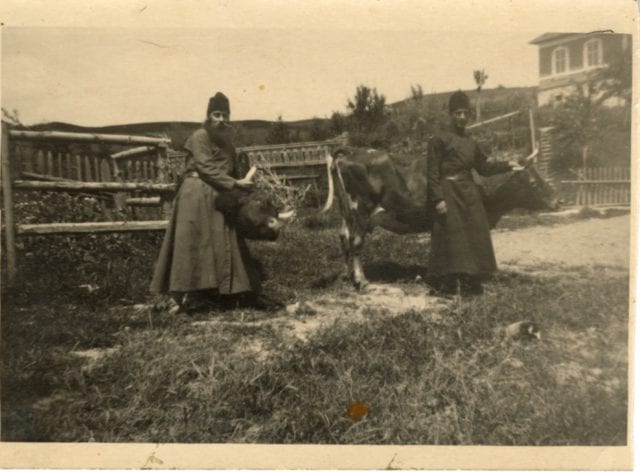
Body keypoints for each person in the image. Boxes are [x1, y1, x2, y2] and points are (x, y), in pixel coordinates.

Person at [150, 92, 279, 312]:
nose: (221, 119)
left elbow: (233, 172)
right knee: (191, 243)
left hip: (219, 195)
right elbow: (206, 168)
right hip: (196, 193)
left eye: (225, 115)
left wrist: (248, 192)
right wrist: (235, 183)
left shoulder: (228, 144)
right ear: (209, 116)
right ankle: (182, 295)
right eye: (216, 114)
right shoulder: (200, 136)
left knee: (224, 242)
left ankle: (225, 292)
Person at [427, 90, 522, 296]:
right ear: (451, 114)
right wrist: (438, 199)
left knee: (475, 234)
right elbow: (432, 173)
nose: (462, 117)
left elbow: (484, 167)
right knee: (451, 238)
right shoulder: (439, 139)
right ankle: (448, 285)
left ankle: (472, 282)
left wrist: (509, 164)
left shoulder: (471, 142)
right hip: (449, 192)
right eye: (458, 113)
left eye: (465, 113)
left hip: (469, 193)